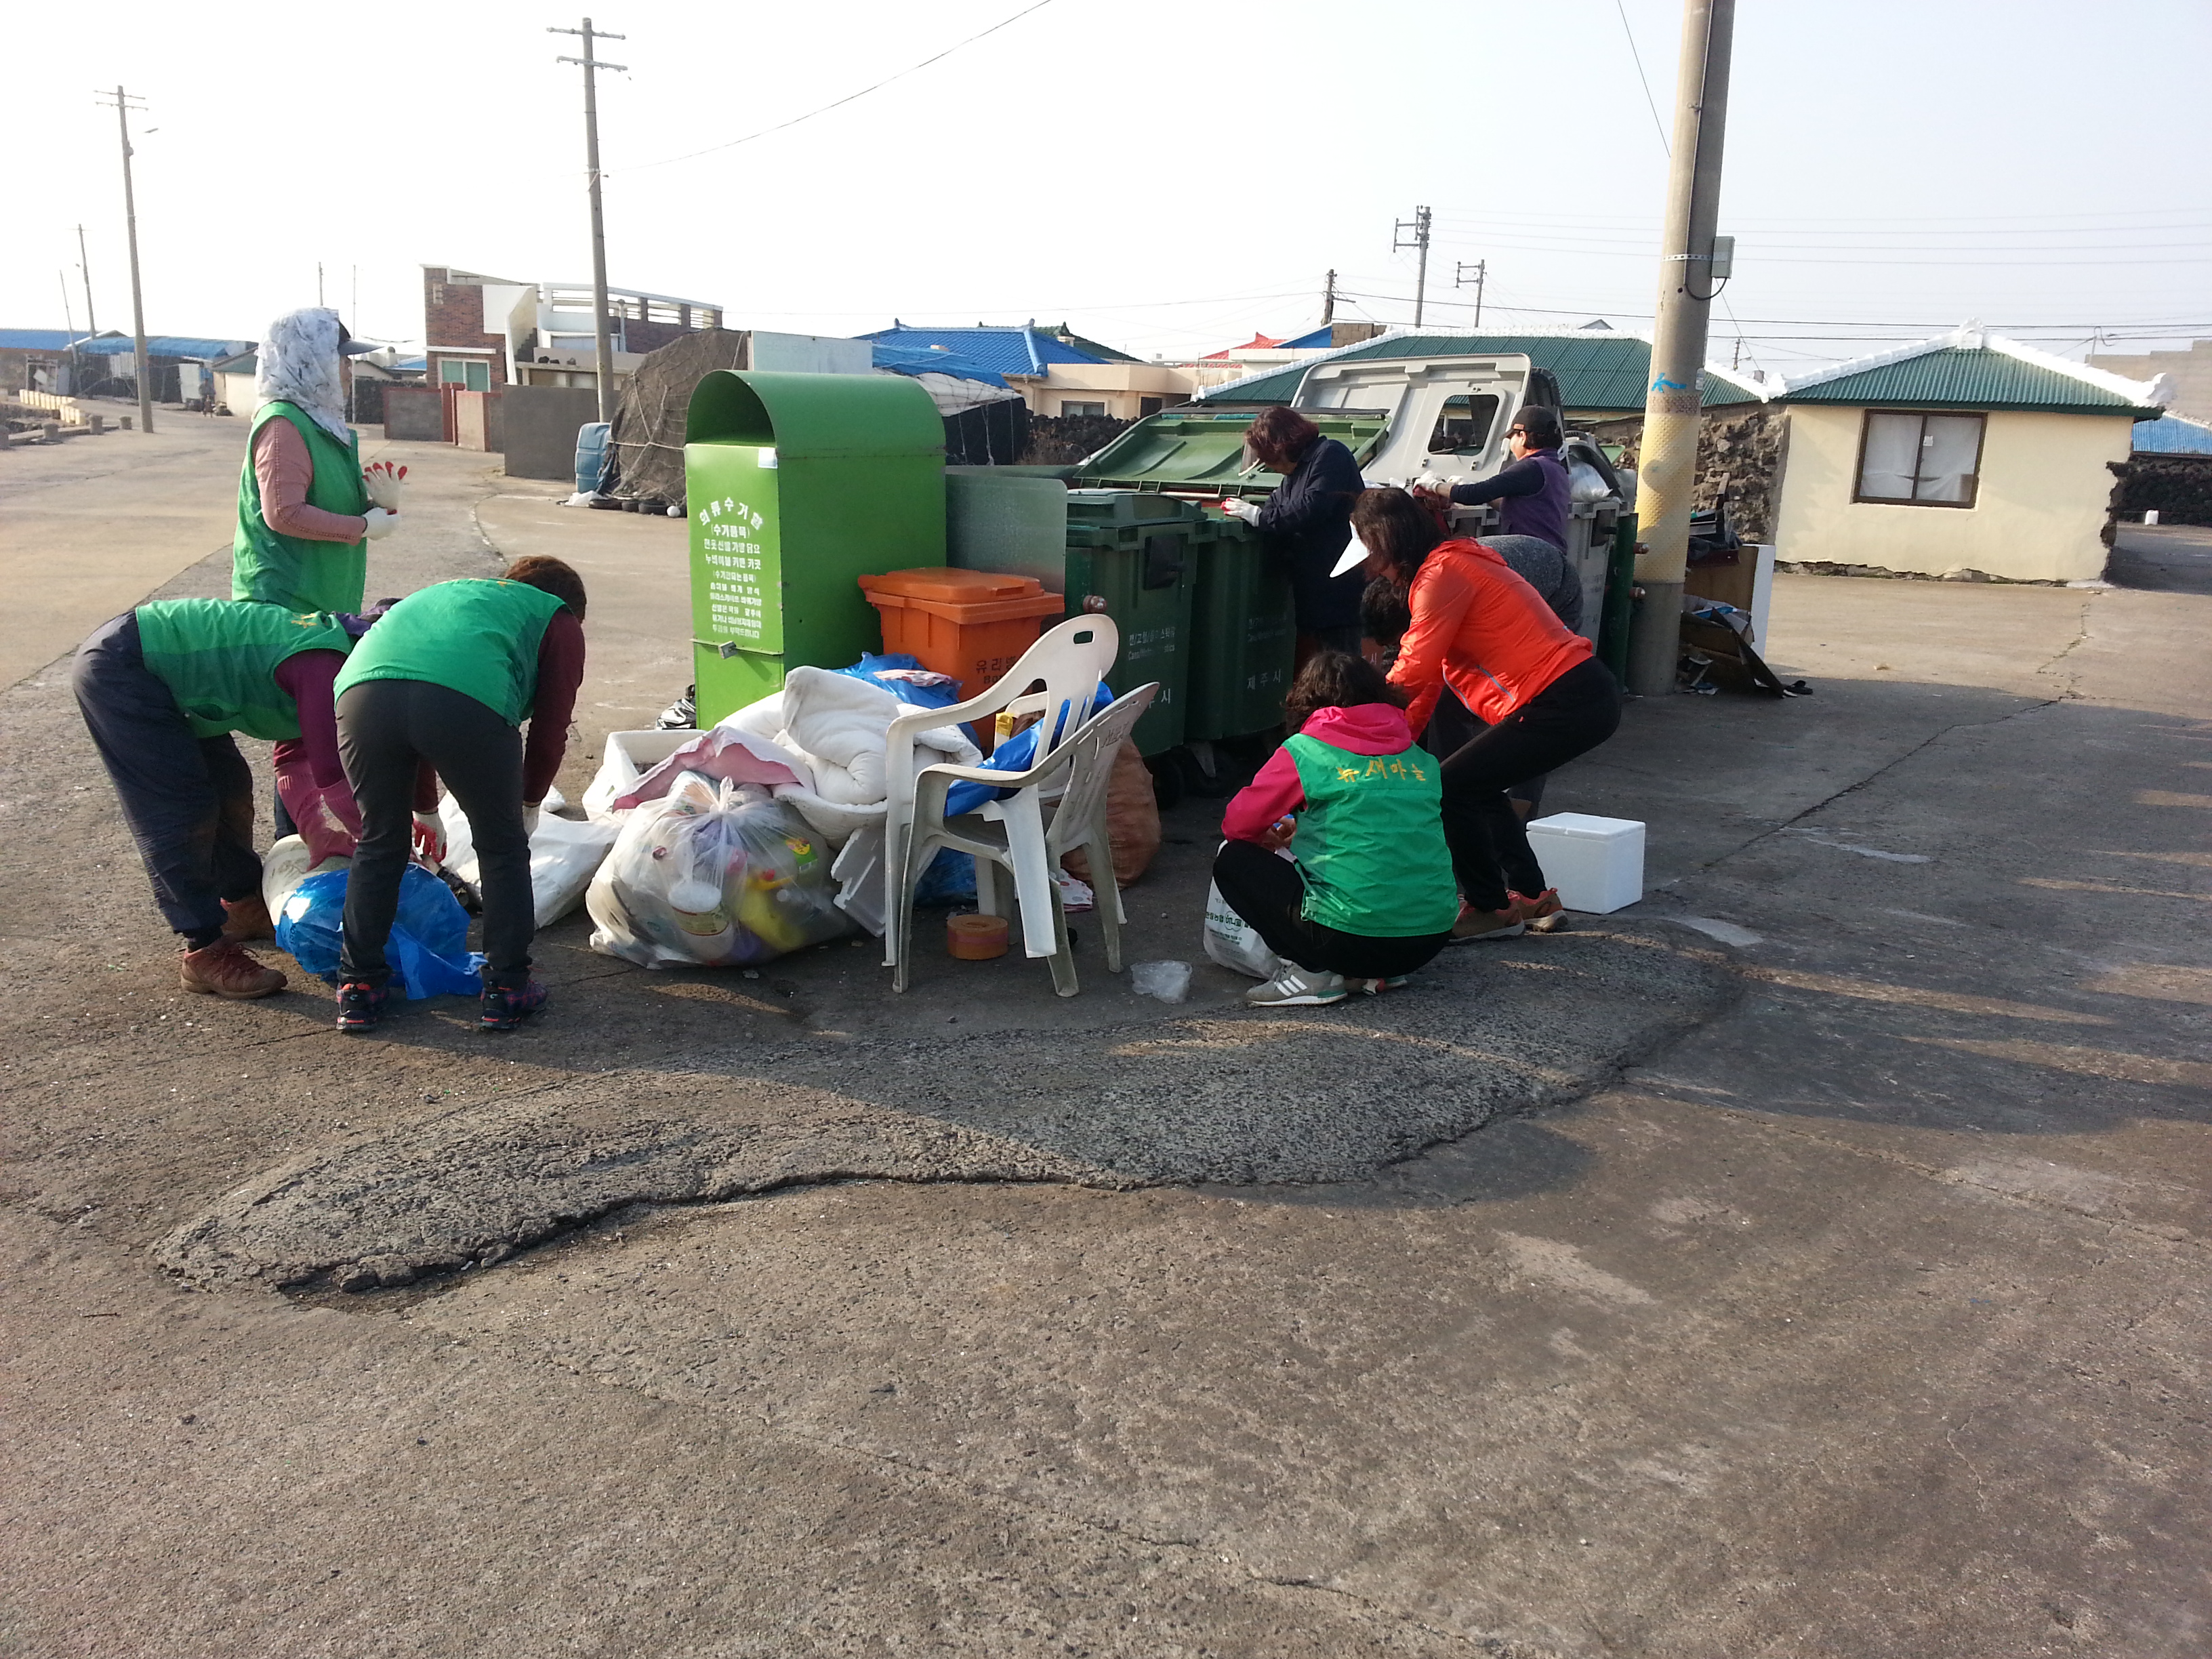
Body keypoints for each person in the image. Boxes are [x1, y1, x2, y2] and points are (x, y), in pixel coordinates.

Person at [1347, 487, 1622, 942]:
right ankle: (1534, 899)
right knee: (1479, 784)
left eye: (1373, 555)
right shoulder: (1457, 565)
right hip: (1575, 693)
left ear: (1386, 541)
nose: (1376, 569)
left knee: (1450, 788)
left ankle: (1489, 907)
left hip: (1563, 696)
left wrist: (1355, 733)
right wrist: (1392, 741)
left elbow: (1412, 669)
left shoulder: (1442, 574)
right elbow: (1428, 680)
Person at [331, 558, 588, 1035]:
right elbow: (551, 728)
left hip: (360, 692)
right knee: (502, 848)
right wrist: (529, 804)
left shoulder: (452, 595)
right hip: (464, 702)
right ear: (570, 606)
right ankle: (508, 989)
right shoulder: (557, 616)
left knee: (379, 842)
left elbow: (415, 688)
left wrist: (424, 809)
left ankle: (359, 989)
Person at [71, 596, 372, 1000]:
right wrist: (380, 843)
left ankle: (241, 903)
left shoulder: (339, 657)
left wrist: (318, 833)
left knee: (229, 788)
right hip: (125, 666)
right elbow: (332, 774)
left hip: (172, 674)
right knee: (180, 810)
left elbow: (293, 761)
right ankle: (203, 950)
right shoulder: (325, 665)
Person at [1213, 650, 1458, 1007]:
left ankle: (1311, 972)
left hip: (1347, 940)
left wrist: (1267, 838)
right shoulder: (1420, 759)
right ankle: (1374, 972)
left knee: (1233, 860)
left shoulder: (1307, 750)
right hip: (1428, 940)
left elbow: (1237, 824)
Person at [232, 307, 396, 616]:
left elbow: (325, 500)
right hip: (287, 604)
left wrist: (380, 507)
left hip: (322, 598)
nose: (349, 371)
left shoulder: (320, 423)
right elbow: (284, 513)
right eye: (341, 359)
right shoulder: (283, 424)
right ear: (308, 359)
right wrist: (361, 526)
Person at [1217, 405, 1366, 661]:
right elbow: (1278, 506)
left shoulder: (1330, 455)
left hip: (1339, 589)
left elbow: (1312, 506)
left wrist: (1258, 516)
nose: (1269, 465)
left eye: (1269, 457)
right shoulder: (1294, 475)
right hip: (1315, 593)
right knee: (1329, 664)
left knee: (1344, 666)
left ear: (1282, 445)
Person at [1418, 405, 1571, 552]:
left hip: (1531, 554)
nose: (1511, 444)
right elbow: (1520, 506)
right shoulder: (1556, 468)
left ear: (1523, 437)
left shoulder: (1530, 468)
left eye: (1511, 438)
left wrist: (1434, 485)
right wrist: (1481, 492)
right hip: (1552, 553)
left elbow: (1472, 495)